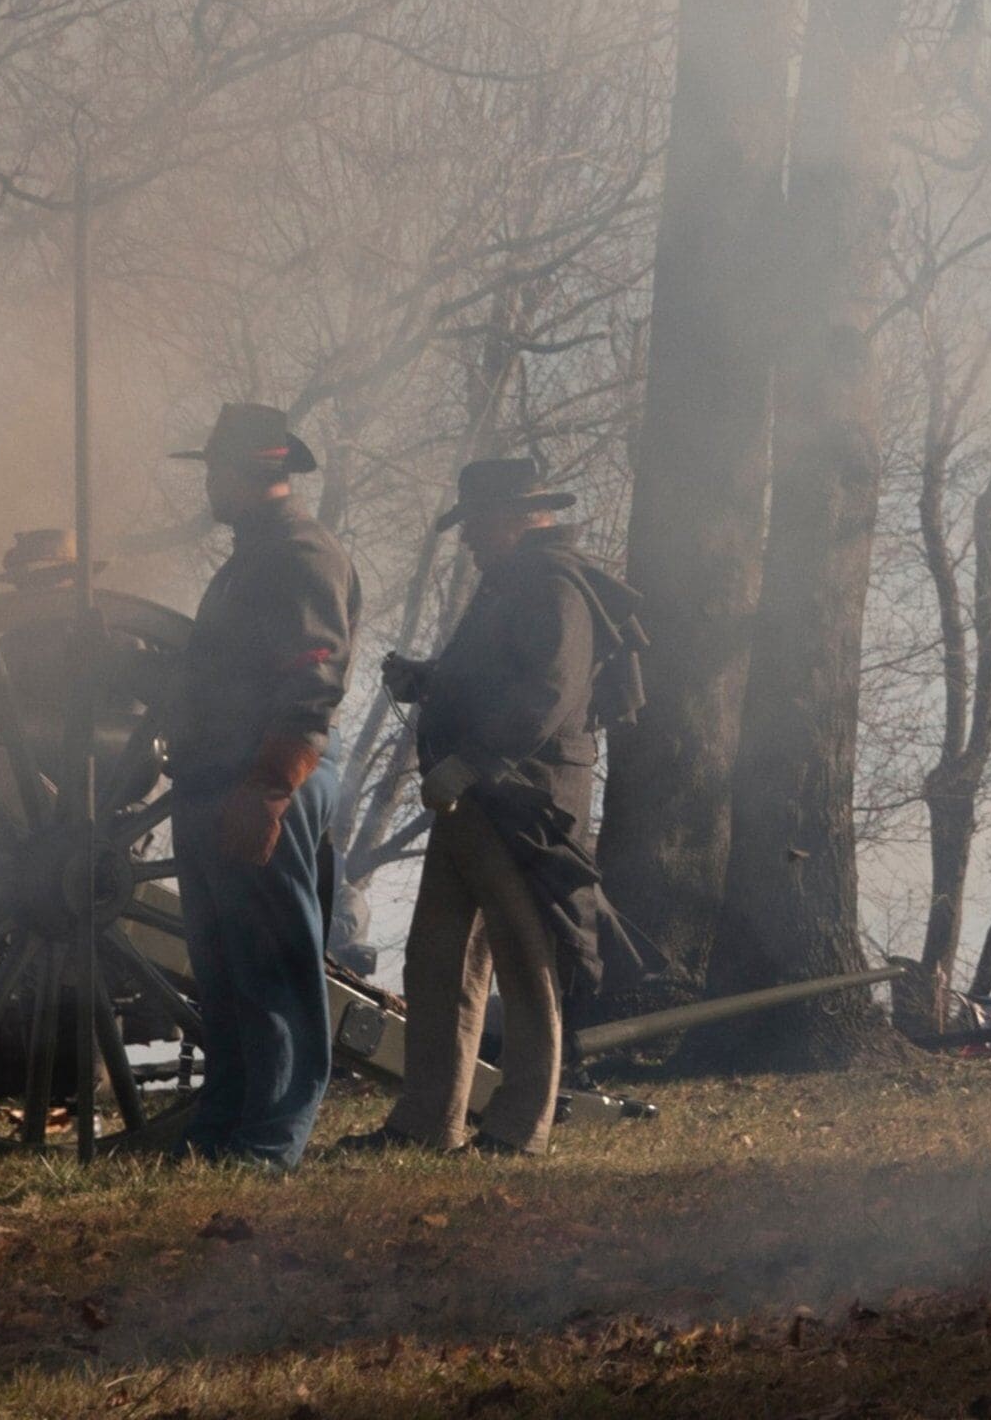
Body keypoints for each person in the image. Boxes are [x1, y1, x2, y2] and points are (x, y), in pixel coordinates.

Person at [368, 456, 647, 1156]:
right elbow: (490, 679)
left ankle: (520, 1130)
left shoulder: (554, 587)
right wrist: (427, 680)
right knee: (437, 960)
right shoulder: (513, 584)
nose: (468, 538)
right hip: (475, 799)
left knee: (526, 965)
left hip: (523, 803)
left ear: (521, 518)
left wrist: (469, 764)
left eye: (478, 523)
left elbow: (545, 697)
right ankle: (426, 1123)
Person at [166, 404, 361, 1169]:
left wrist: (271, 788)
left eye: (215, 471)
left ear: (246, 473)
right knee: (223, 970)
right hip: (220, 777)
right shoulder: (255, 557)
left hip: (265, 776)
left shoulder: (300, 555)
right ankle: (222, 1129)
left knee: (273, 968)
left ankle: (271, 1141)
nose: (208, 486)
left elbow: (313, 682)